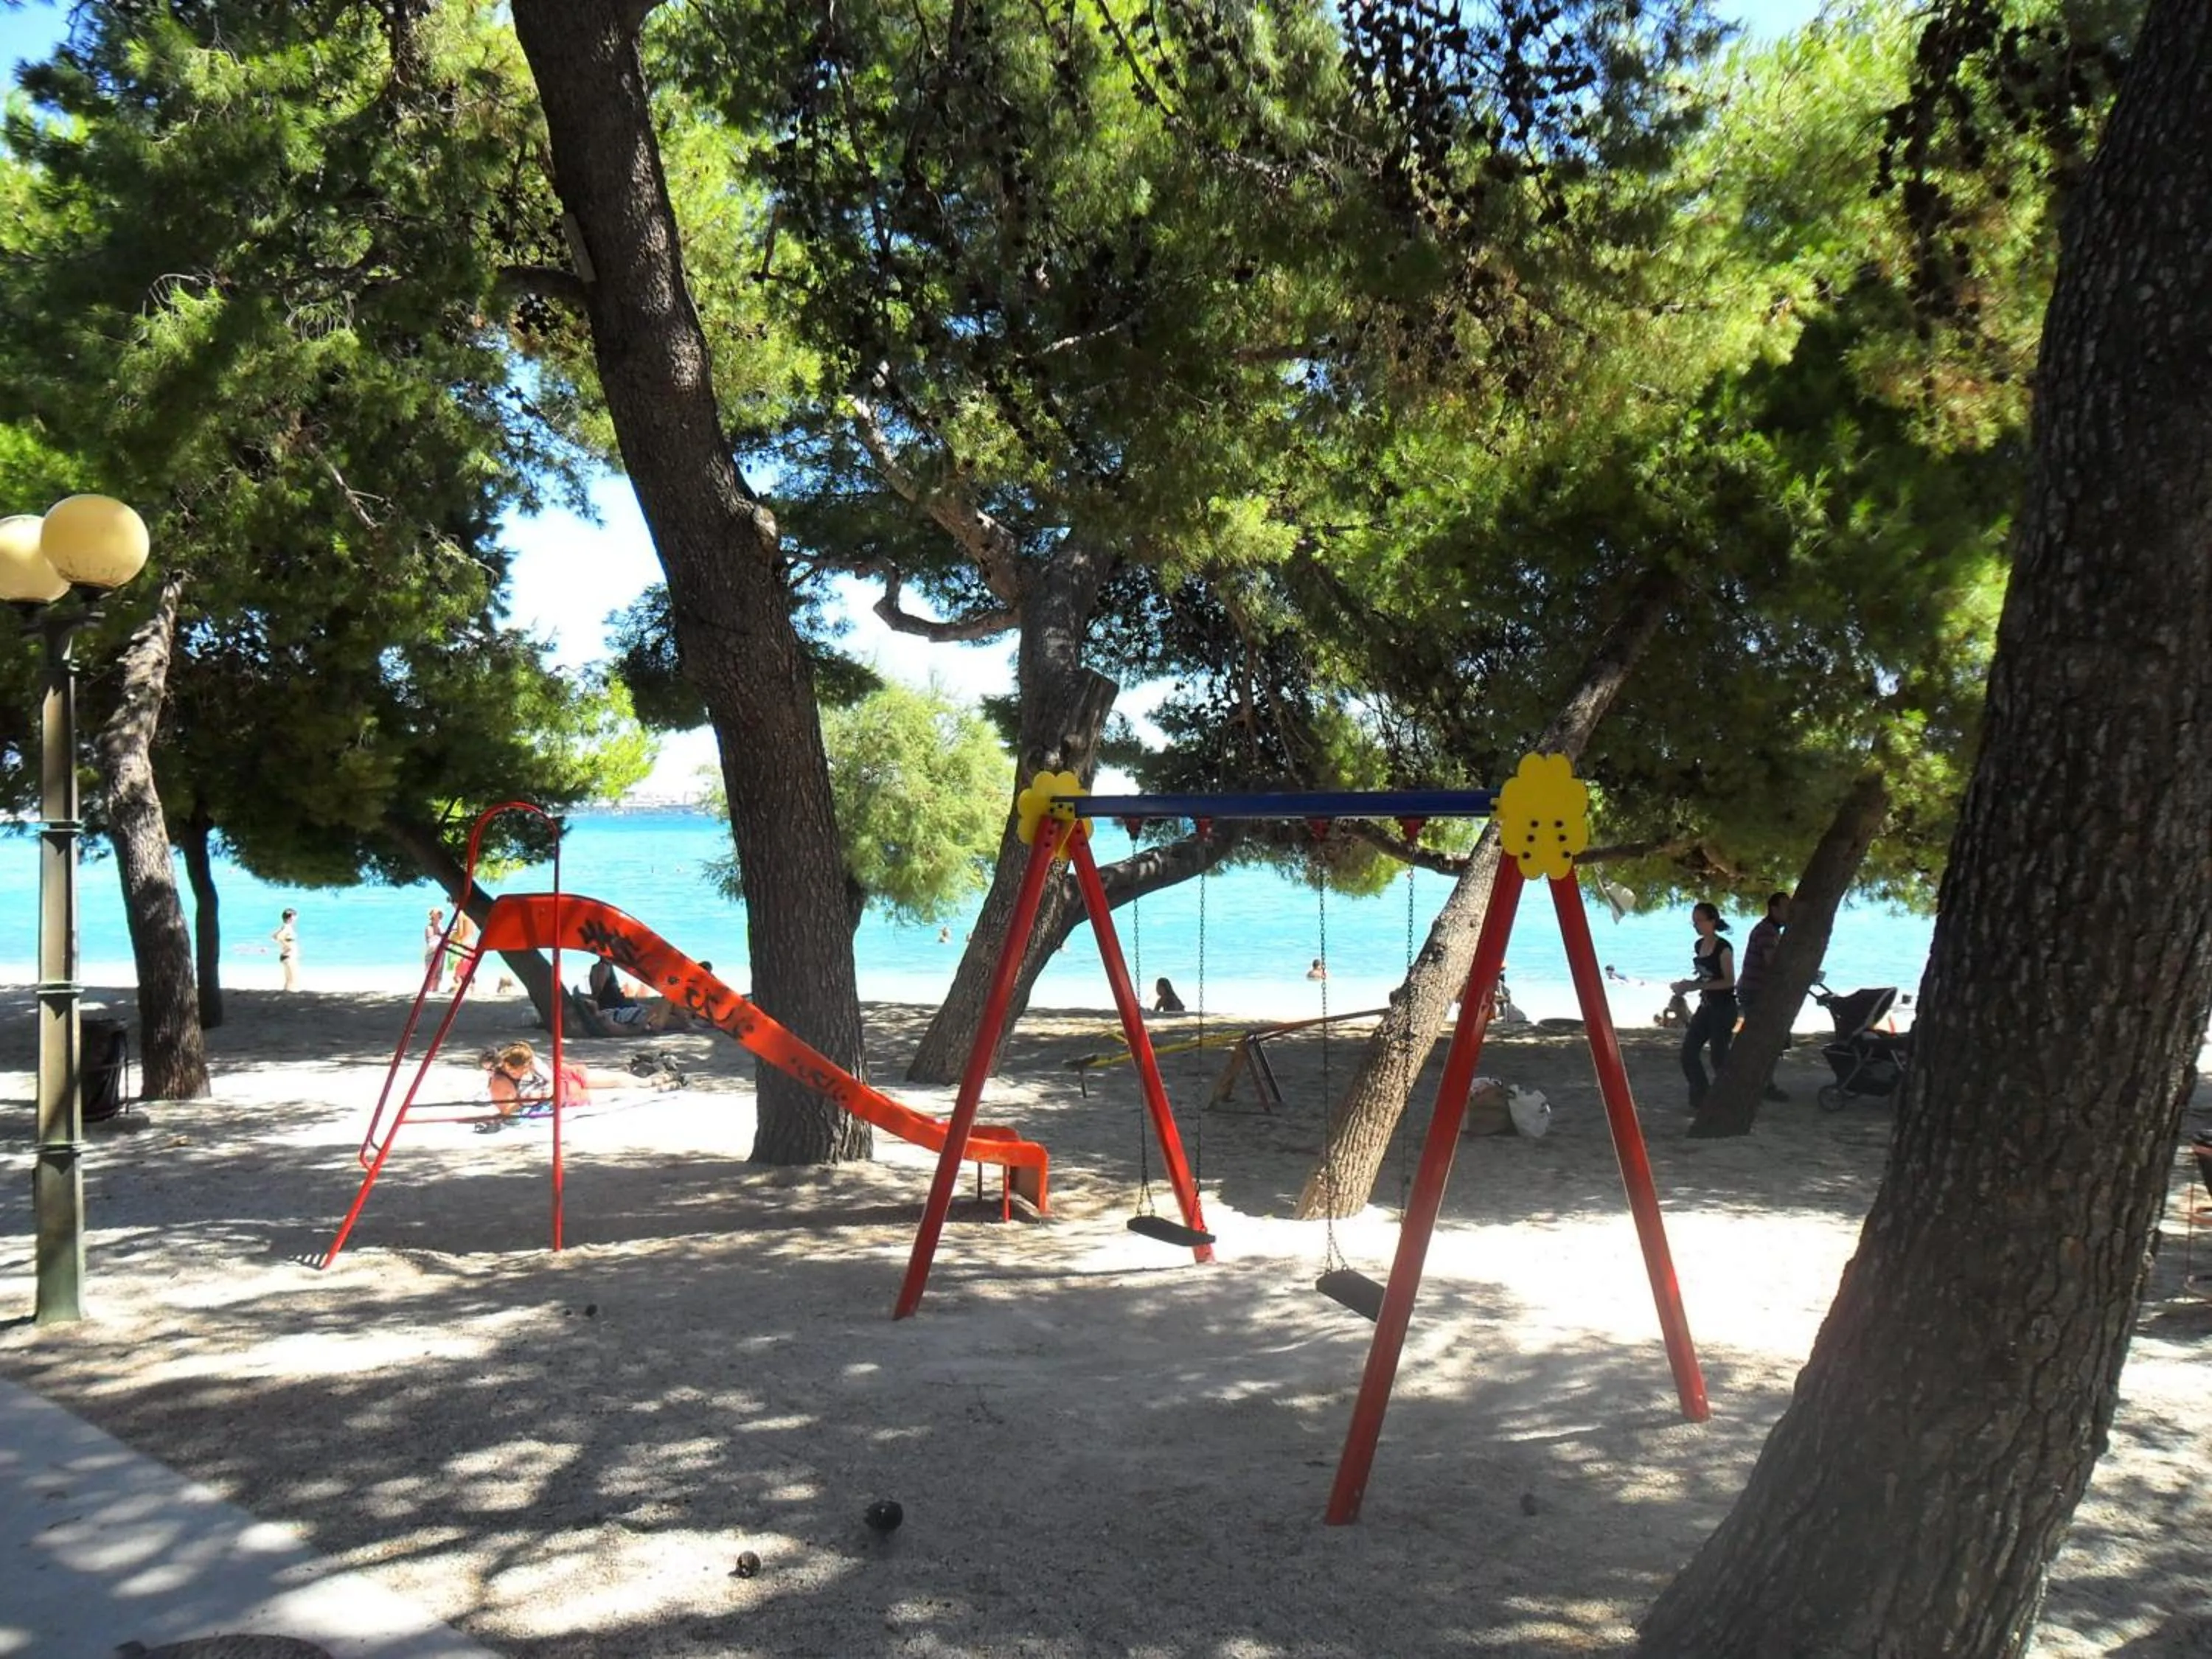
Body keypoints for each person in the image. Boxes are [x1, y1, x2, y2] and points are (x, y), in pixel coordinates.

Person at [476, 1040, 678, 1129]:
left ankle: (654, 1080)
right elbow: (512, 1110)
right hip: (567, 1095)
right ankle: (658, 1087)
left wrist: (549, 1090)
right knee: (616, 1093)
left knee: (616, 1079)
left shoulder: (528, 1059)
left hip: (565, 1078)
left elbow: (551, 1079)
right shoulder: (502, 1082)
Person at [1670, 901, 1736, 1110]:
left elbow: (1729, 981)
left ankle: (1729, 1098)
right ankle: (1702, 1095)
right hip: (1705, 1007)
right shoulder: (1699, 945)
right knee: (1688, 1053)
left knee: (1719, 1057)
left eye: (1700, 920)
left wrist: (1694, 986)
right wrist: (1685, 987)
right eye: (1694, 921)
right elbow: (1704, 977)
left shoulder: (1724, 948)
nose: (1696, 925)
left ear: (1713, 921)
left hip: (1724, 1008)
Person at [1735, 891, 1792, 1102]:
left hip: (1754, 990)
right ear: (1774, 909)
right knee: (1767, 1039)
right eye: (1786, 908)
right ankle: (1762, 1084)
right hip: (1756, 992)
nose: (1790, 913)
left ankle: (1761, 1082)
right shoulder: (1768, 932)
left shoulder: (1771, 930)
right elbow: (1771, 963)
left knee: (1766, 1039)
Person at [272, 908, 299, 992]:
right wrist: (286, 945)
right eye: (294, 917)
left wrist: (285, 943)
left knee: (290, 978)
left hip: (287, 955)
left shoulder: (286, 927)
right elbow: (276, 937)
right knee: (292, 978)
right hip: (288, 955)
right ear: (291, 917)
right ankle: (289, 993)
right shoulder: (286, 928)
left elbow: (275, 936)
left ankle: (287, 992)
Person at [422, 908, 447, 992]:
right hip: (432, 952)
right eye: (433, 917)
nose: (436, 919)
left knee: (438, 973)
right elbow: (430, 942)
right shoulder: (429, 928)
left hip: (440, 951)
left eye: (438, 917)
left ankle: (436, 990)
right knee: (431, 972)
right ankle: (429, 990)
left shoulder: (441, 927)